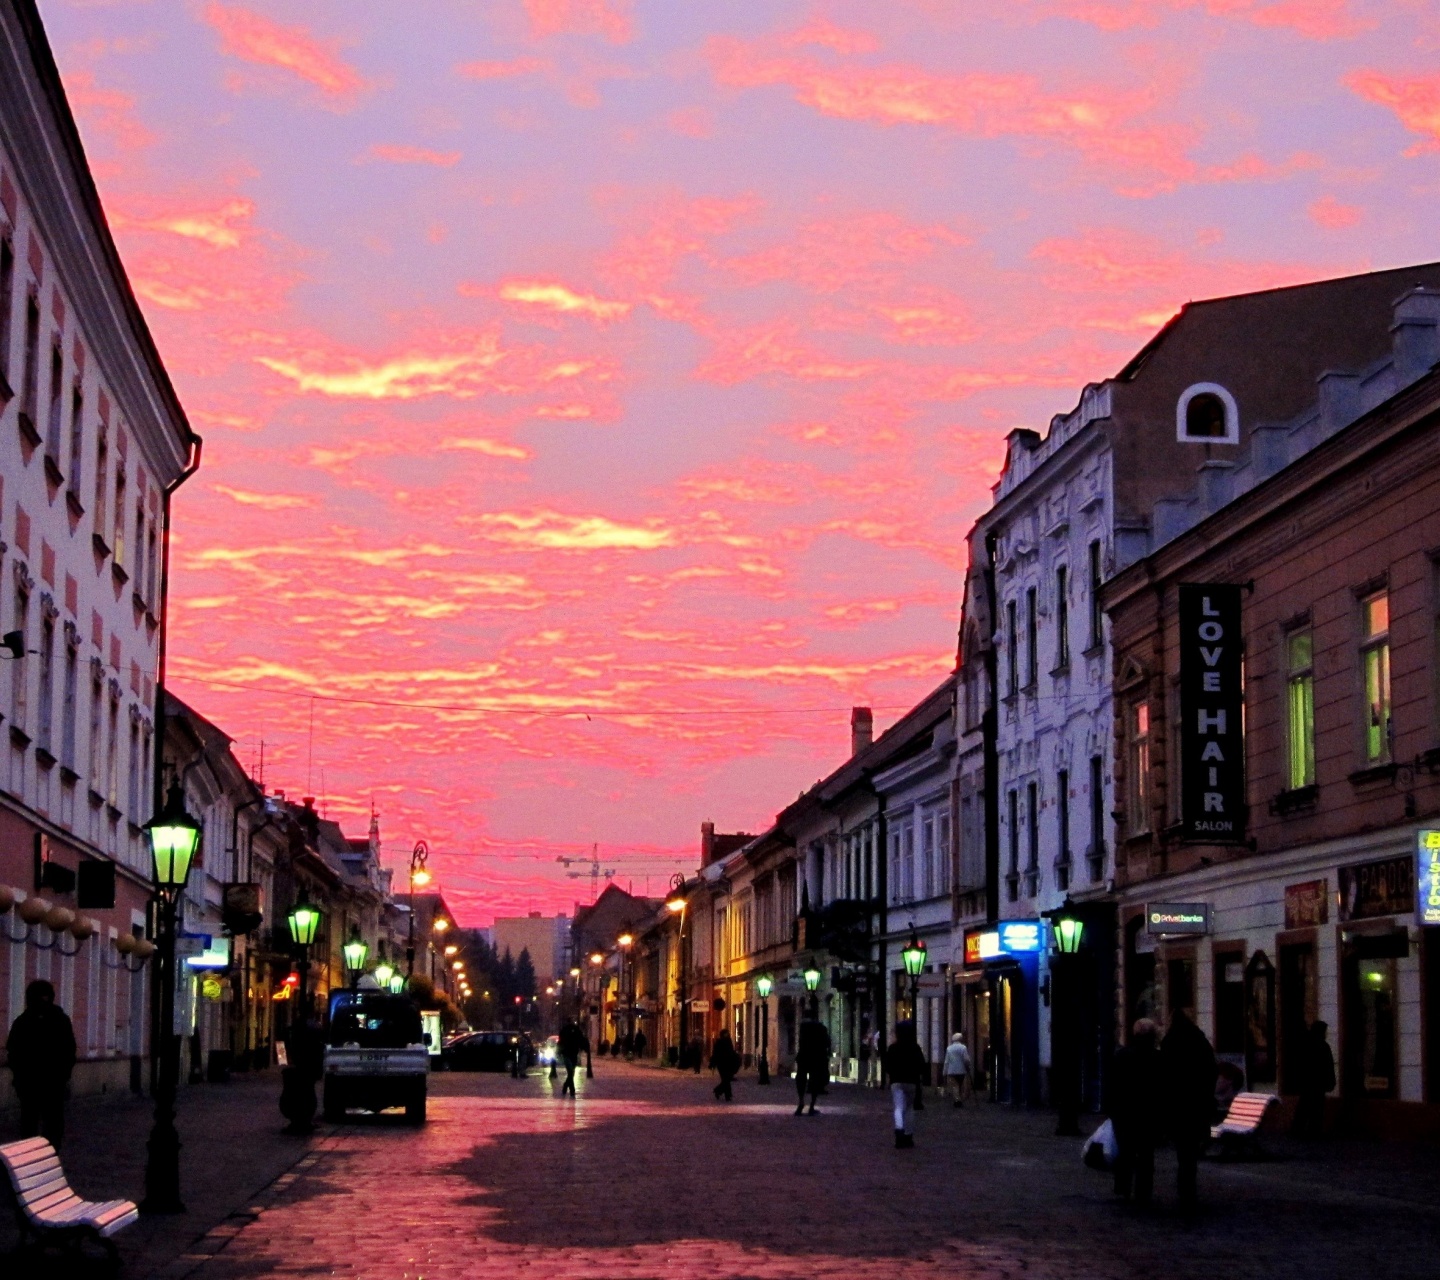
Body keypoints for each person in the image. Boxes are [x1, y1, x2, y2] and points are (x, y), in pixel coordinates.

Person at [5, 979, 76, 1146]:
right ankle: (45, 1153)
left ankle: (40, 1153)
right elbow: (13, 1052)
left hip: (43, 1083)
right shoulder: (28, 1021)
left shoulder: (25, 1021)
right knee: (44, 1124)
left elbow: (68, 1051)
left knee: (40, 1123)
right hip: (41, 1083)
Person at [1162, 1009, 1217, 1210]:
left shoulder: (1170, 1042)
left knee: (1183, 1150)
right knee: (1190, 1151)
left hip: (1177, 1105)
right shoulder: (1199, 1041)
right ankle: (1188, 1188)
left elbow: (1164, 1075)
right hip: (1197, 1105)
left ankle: (1185, 1188)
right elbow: (1211, 1070)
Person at [1109, 1018, 1161, 1204]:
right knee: (1146, 1154)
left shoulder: (1122, 1055)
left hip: (1124, 1112)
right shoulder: (1157, 1057)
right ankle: (1143, 1191)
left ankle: (1123, 1187)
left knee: (1126, 1151)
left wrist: (1112, 1108)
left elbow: (1112, 1084)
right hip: (1147, 1113)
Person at [279, 1009, 324, 1135]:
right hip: (308, 1066)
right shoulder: (313, 1029)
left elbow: (282, 1043)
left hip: (304, 1065)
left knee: (305, 1091)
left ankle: (300, 1119)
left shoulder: (296, 1030)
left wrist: (284, 1061)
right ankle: (303, 1119)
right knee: (308, 1092)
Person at [883, 1020, 927, 1148]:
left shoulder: (893, 1048)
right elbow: (921, 1065)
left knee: (898, 1107)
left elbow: (887, 1066)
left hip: (896, 1081)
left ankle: (899, 1131)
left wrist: (892, 1073)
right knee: (909, 1108)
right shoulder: (915, 1047)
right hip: (911, 1081)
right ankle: (908, 1135)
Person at [1295, 1020, 1335, 1139]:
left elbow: (1300, 1064)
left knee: (1304, 1106)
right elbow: (1328, 1065)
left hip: (1308, 1082)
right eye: (1324, 1031)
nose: (1326, 1034)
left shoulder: (1305, 1043)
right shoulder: (1323, 1046)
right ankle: (1313, 1131)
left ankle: (1298, 1130)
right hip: (1318, 1083)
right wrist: (1330, 1081)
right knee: (1317, 1108)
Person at [794, 1002, 831, 1115]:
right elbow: (827, 1043)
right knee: (815, 1081)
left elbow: (800, 1042)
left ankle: (801, 1101)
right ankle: (811, 1106)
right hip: (816, 1057)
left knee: (801, 1078)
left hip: (804, 1056)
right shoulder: (821, 1028)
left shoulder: (803, 1027)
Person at [709, 1028, 740, 1101]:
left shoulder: (729, 1041)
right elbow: (715, 1053)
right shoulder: (719, 1042)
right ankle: (727, 1096)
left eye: (728, 1033)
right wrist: (712, 1063)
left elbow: (731, 1051)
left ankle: (718, 1091)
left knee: (726, 1080)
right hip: (721, 1063)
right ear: (723, 1034)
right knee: (726, 1080)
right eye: (726, 1033)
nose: (728, 1034)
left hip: (728, 1063)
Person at [943, 1033, 972, 1108]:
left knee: (954, 1086)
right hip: (961, 1070)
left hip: (951, 1070)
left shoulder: (949, 1048)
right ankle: (959, 1099)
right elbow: (966, 1059)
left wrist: (944, 1071)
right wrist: (968, 1065)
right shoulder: (963, 1048)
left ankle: (957, 1100)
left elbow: (947, 1061)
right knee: (960, 1084)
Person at [559, 1020, 587, 1097]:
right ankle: (572, 1089)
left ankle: (566, 1085)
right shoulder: (565, 1030)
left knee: (571, 1072)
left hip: (572, 1054)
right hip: (568, 1054)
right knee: (571, 1071)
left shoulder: (574, 1030)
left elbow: (581, 1040)